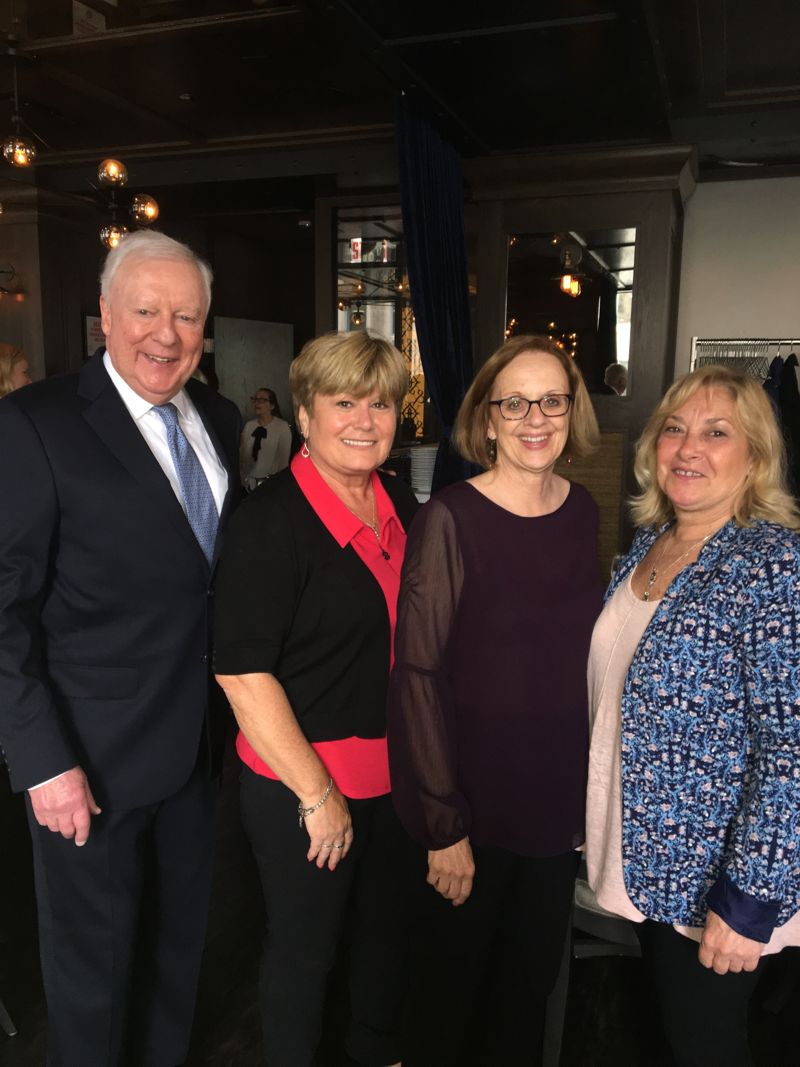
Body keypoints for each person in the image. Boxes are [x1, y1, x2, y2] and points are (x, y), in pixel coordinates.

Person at [0, 230, 241, 1066]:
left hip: (200, 751)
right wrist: (41, 762)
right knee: (93, 977)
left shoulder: (217, 413)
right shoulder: (34, 424)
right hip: (87, 767)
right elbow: (4, 612)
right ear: (104, 312)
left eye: (186, 315)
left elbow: (208, 582)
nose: (166, 334)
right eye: (146, 310)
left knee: (177, 956)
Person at [387, 334, 602, 1066]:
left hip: (551, 806)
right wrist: (444, 824)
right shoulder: (449, 518)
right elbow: (416, 673)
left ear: (571, 414)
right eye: (515, 402)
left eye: (551, 400)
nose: (534, 417)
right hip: (470, 807)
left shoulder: (584, 513)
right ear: (487, 420)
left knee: (526, 990)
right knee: (450, 995)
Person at [214, 331, 419, 1067]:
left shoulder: (396, 499)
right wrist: (316, 792)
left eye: (381, 402)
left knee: (382, 944)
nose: (365, 419)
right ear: (305, 413)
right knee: (305, 957)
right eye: (344, 402)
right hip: (305, 785)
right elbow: (242, 674)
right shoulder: (269, 524)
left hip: (394, 779)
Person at [585, 364, 800, 1066]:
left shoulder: (772, 565)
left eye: (716, 432)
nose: (688, 448)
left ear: (757, 457)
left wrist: (748, 901)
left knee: (705, 1046)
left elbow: (791, 749)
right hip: (651, 864)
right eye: (674, 429)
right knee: (668, 1034)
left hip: (721, 883)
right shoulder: (644, 551)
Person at [240, 385, 292, 490]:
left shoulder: (282, 427)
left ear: (272, 405)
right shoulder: (249, 426)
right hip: (248, 484)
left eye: (262, 400)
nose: (257, 403)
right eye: (255, 399)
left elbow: (283, 461)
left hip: (271, 485)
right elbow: (242, 456)